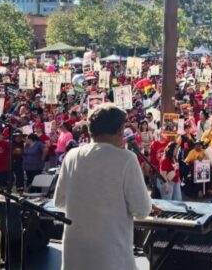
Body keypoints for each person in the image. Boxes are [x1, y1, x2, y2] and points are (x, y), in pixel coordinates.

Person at [53, 103, 152, 270]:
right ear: (121, 130)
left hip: (75, 255)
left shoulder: (71, 156)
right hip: (111, 257)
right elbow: (142, 210)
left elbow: (59, 202)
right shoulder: (126, 159)